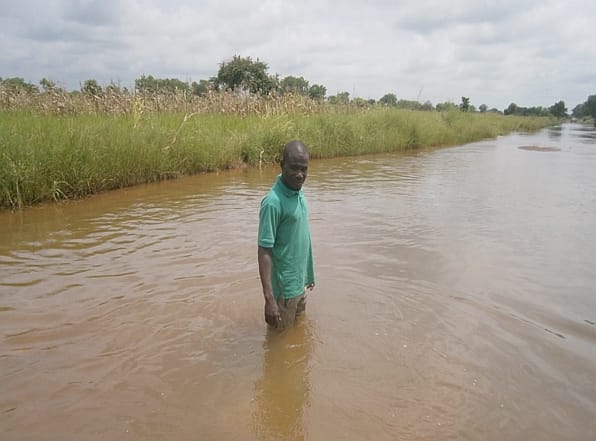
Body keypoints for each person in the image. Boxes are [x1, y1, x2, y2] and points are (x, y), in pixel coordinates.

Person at [258, 140, 315, 329]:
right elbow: (264, 250)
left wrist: (308, 275)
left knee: (296, 341)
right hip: (282, 293)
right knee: (276, 344)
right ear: (282, 165)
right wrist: (269, 299)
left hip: (299, 285)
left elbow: (300, 239)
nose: (299, 175)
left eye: (304, 169)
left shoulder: (298, 193)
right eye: (293, 168)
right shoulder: (272, 202)